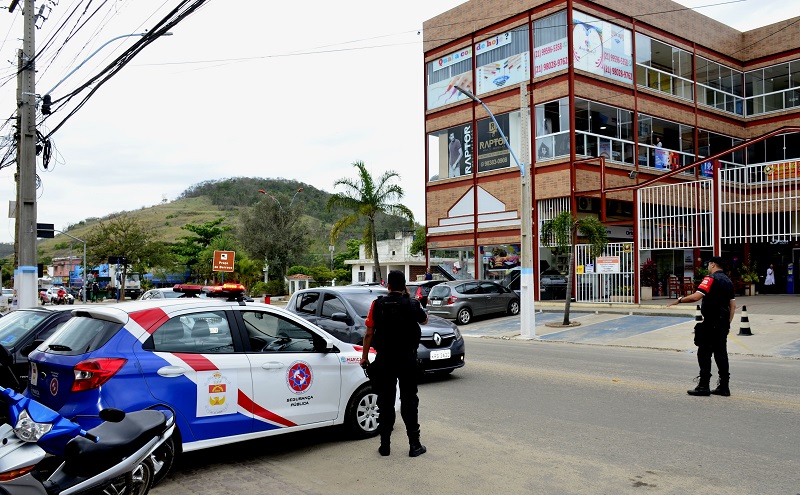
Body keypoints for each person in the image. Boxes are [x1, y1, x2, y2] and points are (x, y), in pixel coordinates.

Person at [360, 270, 429, 457]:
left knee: (385, 402)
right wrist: (408, 299)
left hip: (384, 360)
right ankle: (414, 445)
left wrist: (364, 357)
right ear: (404, 285)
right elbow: (424, 319)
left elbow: (368, 333)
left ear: (388, 286)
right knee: (409, 401)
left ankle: (385, 446)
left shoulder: (377, 304)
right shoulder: (412, 304)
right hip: (407, 360)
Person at [667, 256, 736, 396]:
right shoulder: (729, 281)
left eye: (709, 264)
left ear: (712, 265)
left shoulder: (710, 279)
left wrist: (679, 300)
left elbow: (696, 297)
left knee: (704, 352)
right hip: (723, 323)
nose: (708, 267)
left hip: (711, 322)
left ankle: (703, 385)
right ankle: (724, 386)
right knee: (721, 354)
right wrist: (727, 323)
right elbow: (733, 306)